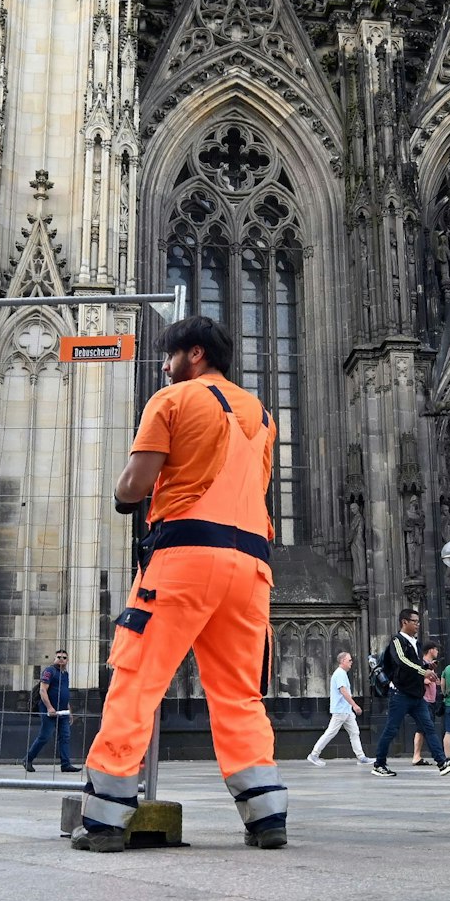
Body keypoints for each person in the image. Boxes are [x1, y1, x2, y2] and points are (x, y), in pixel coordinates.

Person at [83, 316, 287, 852]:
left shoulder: (171, 400)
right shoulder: (263, 415)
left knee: (137, 679)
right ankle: (266, 816)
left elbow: (138, 481)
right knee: (240, 693)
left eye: (170, 356)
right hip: (251, 568)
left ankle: (105, 818)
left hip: (185, 558)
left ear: (193, 354)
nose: (165, 365)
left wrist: (124, 497)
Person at [372, 608, 450, 777]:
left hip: (417, 695)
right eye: (415, 621)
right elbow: (401, 661)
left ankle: (441, 762)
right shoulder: (397, 640)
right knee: (391, 729)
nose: (418, 624)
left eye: (418, 621)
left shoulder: (416, 642)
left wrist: (426, 667)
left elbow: (414, 664)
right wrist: (423, 671)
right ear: (404, 622)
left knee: (429, 727)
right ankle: (379, 764)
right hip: (400, 694)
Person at [305, 652, 370, 766]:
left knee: (354, 732)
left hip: (346, 710)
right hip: (340, 710)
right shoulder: (340, 674)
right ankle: (314, 755)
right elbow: (343, 691)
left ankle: (361, 757)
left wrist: (351, 707)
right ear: (342, 661)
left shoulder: (342, 673)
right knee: (330, 732)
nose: (351, 662)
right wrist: (354, 705)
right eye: (349, 660)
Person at [23, 650, 79, 773]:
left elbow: (64, 693)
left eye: (64, 657)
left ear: (67, 660)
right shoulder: (49, 671)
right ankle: (28, 759)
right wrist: (49, 707)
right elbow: (43, 690)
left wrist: (69, 711)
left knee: (65, 737)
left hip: (63, 711)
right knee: (45, 736)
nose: (61, 659)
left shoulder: (65, 674)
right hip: (49, 711)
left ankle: (65, 764)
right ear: (54, 658)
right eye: (59, 657)